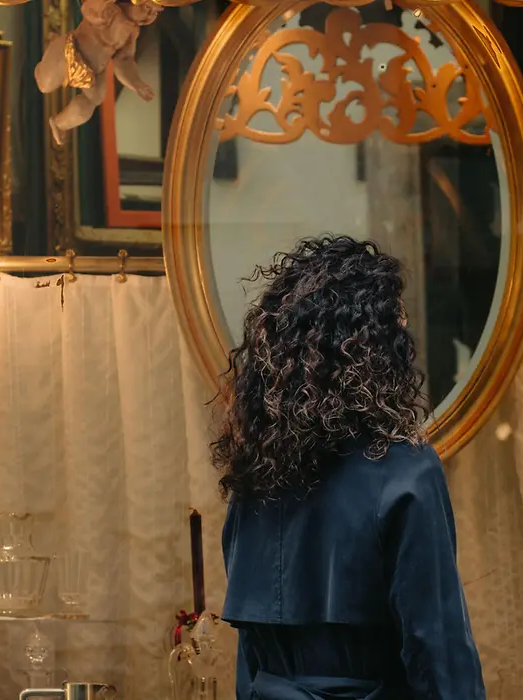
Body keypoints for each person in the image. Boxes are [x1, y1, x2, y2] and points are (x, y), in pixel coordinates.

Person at [213, 236, 486, 699]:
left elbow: (250, 656)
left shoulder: (256, 478)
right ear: (378, 350)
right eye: (398, 327)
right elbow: (438, 649)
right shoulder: (406, 472)